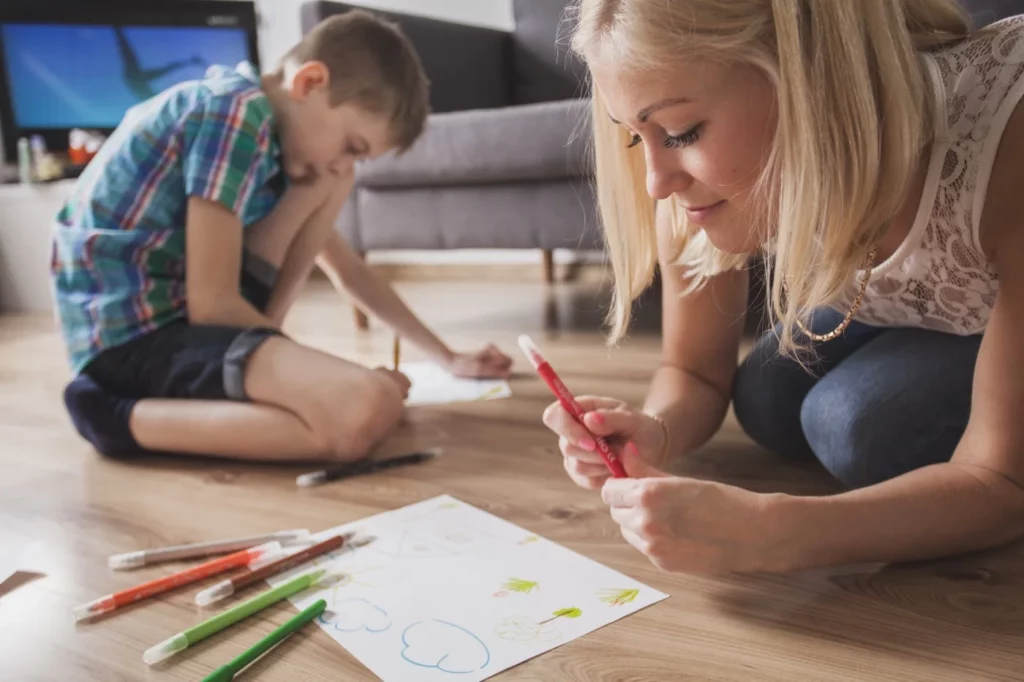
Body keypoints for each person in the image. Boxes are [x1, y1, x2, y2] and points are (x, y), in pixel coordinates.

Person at [542, 0, 1024, 574]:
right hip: (917, 299)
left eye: (680, 131)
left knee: (853, 424)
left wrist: (776, 532)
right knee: (767, 396)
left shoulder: (1006, 141)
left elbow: (998, 483)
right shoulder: (682, 176)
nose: (655, 184)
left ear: (813, 79)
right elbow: (693, 372)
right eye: (632, 137)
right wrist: (656, 431)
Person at [53, 11, 512, 463]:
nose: (342, 162)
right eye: (352, 145)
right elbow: (212, 302)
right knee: (366, 404)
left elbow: (349, 271)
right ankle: (115, 417)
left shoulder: (270, 139)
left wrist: (448, 357)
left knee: (334, 181)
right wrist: (333, 375)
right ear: (309, 83)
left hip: (182, 326)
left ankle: (259, 368)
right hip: (131, 342)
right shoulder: (233, 114)